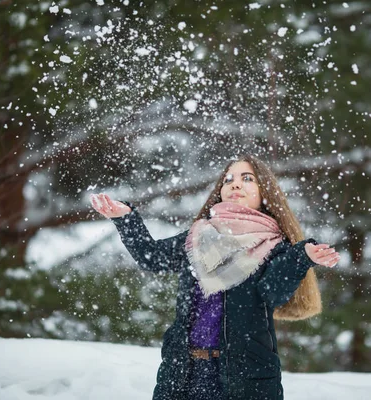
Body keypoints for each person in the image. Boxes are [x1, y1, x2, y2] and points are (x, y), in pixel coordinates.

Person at [90, 154, 340, 400]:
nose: (235, 184)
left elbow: (272, 292)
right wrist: (125, 219)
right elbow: (153, 257)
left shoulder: (276, 247)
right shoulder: (198, 236)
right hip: (183, 373)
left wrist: (301, 258)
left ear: (265, 192)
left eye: (247, 178)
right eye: (228, 179)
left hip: (244, 377)